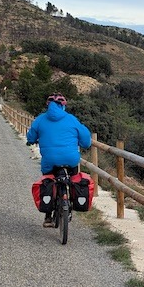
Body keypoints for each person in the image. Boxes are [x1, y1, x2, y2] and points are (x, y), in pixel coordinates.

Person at [26, 93, 92, 227]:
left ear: (48, 105)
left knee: (49, 180)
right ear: (63, 106)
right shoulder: (72, 119)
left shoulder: (40, 119)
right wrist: (84, 144)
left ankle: (48, 216)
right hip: (71, 159)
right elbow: (86, 139)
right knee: (73, 178)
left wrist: (32, 140)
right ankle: (72, 202)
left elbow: (31, 136)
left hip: (49, 160)